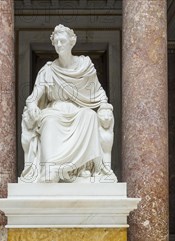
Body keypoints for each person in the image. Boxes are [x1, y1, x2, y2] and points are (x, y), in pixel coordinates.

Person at [20, 25, 117, 183]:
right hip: (55, 111)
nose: (59, 44)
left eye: (62, 41)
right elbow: (33, 98)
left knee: (90, 116)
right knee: (49, 120)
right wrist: (32, 106)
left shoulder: (84, 66)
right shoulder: (48, 70)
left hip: (78, 111)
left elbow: (98, 93)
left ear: (72, 42)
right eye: (56, 41)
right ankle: (50, 169)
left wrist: (105, 107)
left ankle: (81, 167)